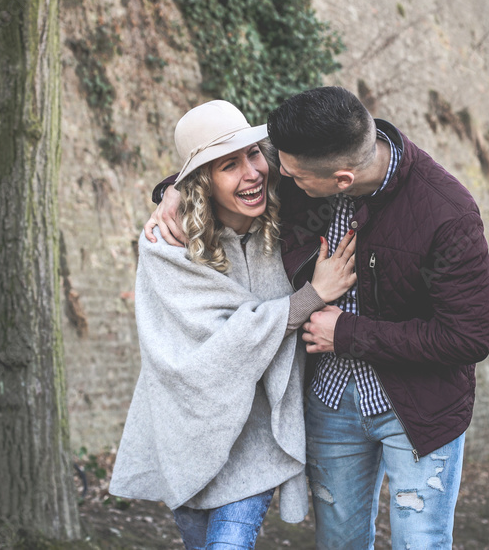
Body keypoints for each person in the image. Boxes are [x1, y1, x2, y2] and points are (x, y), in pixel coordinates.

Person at [145, 86, 489, 549]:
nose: (279, 176)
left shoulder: (447, 213)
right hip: (330, 403)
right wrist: (173, 191)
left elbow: (469, 336)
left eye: (291, 174)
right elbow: (226, 170)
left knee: (421, 542)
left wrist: (347, 333)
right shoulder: (312, 154)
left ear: (342, 179)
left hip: (418, 410)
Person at [109, 99, 358, 550]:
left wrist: (173, 185)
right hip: (187, 435)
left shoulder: (289, 223)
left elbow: (343, 148)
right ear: (202, 182)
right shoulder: (167, 248)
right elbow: (223, 347)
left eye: (254, 154)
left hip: (255, 444)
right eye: (229, 165)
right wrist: (312, 296)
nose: (252, 172)